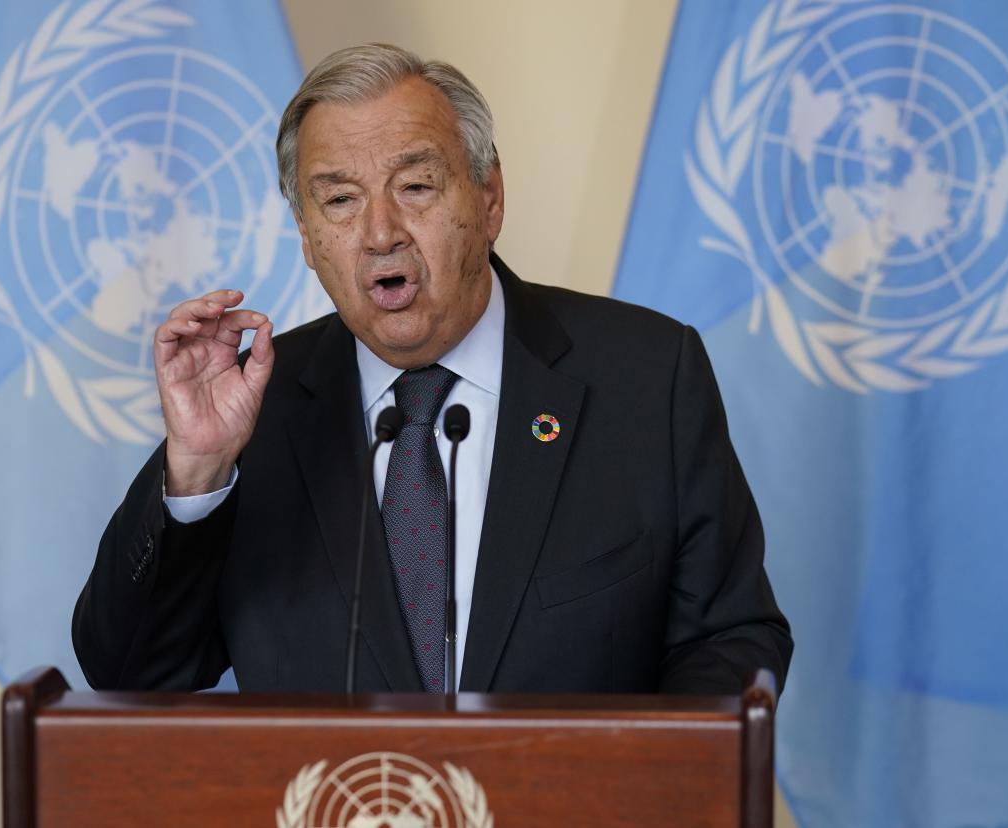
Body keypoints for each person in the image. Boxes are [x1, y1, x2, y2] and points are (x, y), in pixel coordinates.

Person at [73, 44, 792, 694]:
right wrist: (196, 470)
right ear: (306, 235)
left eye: (415, 187)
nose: (381, 232)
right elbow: (131, 671)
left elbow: (729, 636)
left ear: (488, 199)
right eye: (341, 201)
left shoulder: (645, 376)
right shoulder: (254, 411)